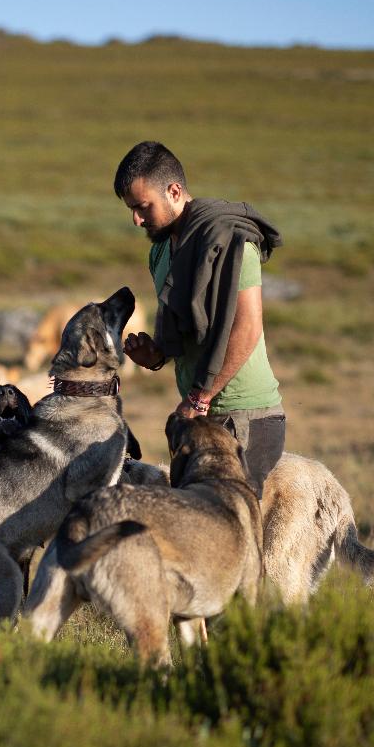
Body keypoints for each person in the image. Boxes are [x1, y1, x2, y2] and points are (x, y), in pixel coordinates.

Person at [114, 141, 285, 496]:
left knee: (228, 532)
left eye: (143, 207)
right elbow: (189, 328)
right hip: (197, 412)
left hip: (243, 415)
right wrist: (157, 355)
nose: (136, 219)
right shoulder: (160, 251)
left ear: (174, 191)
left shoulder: (232, 241)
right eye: (131, 209)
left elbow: (247, 326)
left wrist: (200, 396)